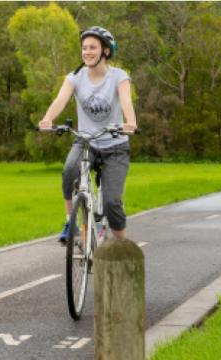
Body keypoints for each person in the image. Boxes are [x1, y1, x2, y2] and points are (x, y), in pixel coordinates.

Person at [38, 26, 137, 242]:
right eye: (84, 48)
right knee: (69, 171)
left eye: (93, 47)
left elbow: (126, 101)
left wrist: (131, 122)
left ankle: (121, 247)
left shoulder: (119, 76)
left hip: (115, 145)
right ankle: (69, 222)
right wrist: (48, 119)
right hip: (86, 142)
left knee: (112, 203)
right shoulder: (75, 77)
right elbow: (60, 100)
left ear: (106, 51)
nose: (87, 52)